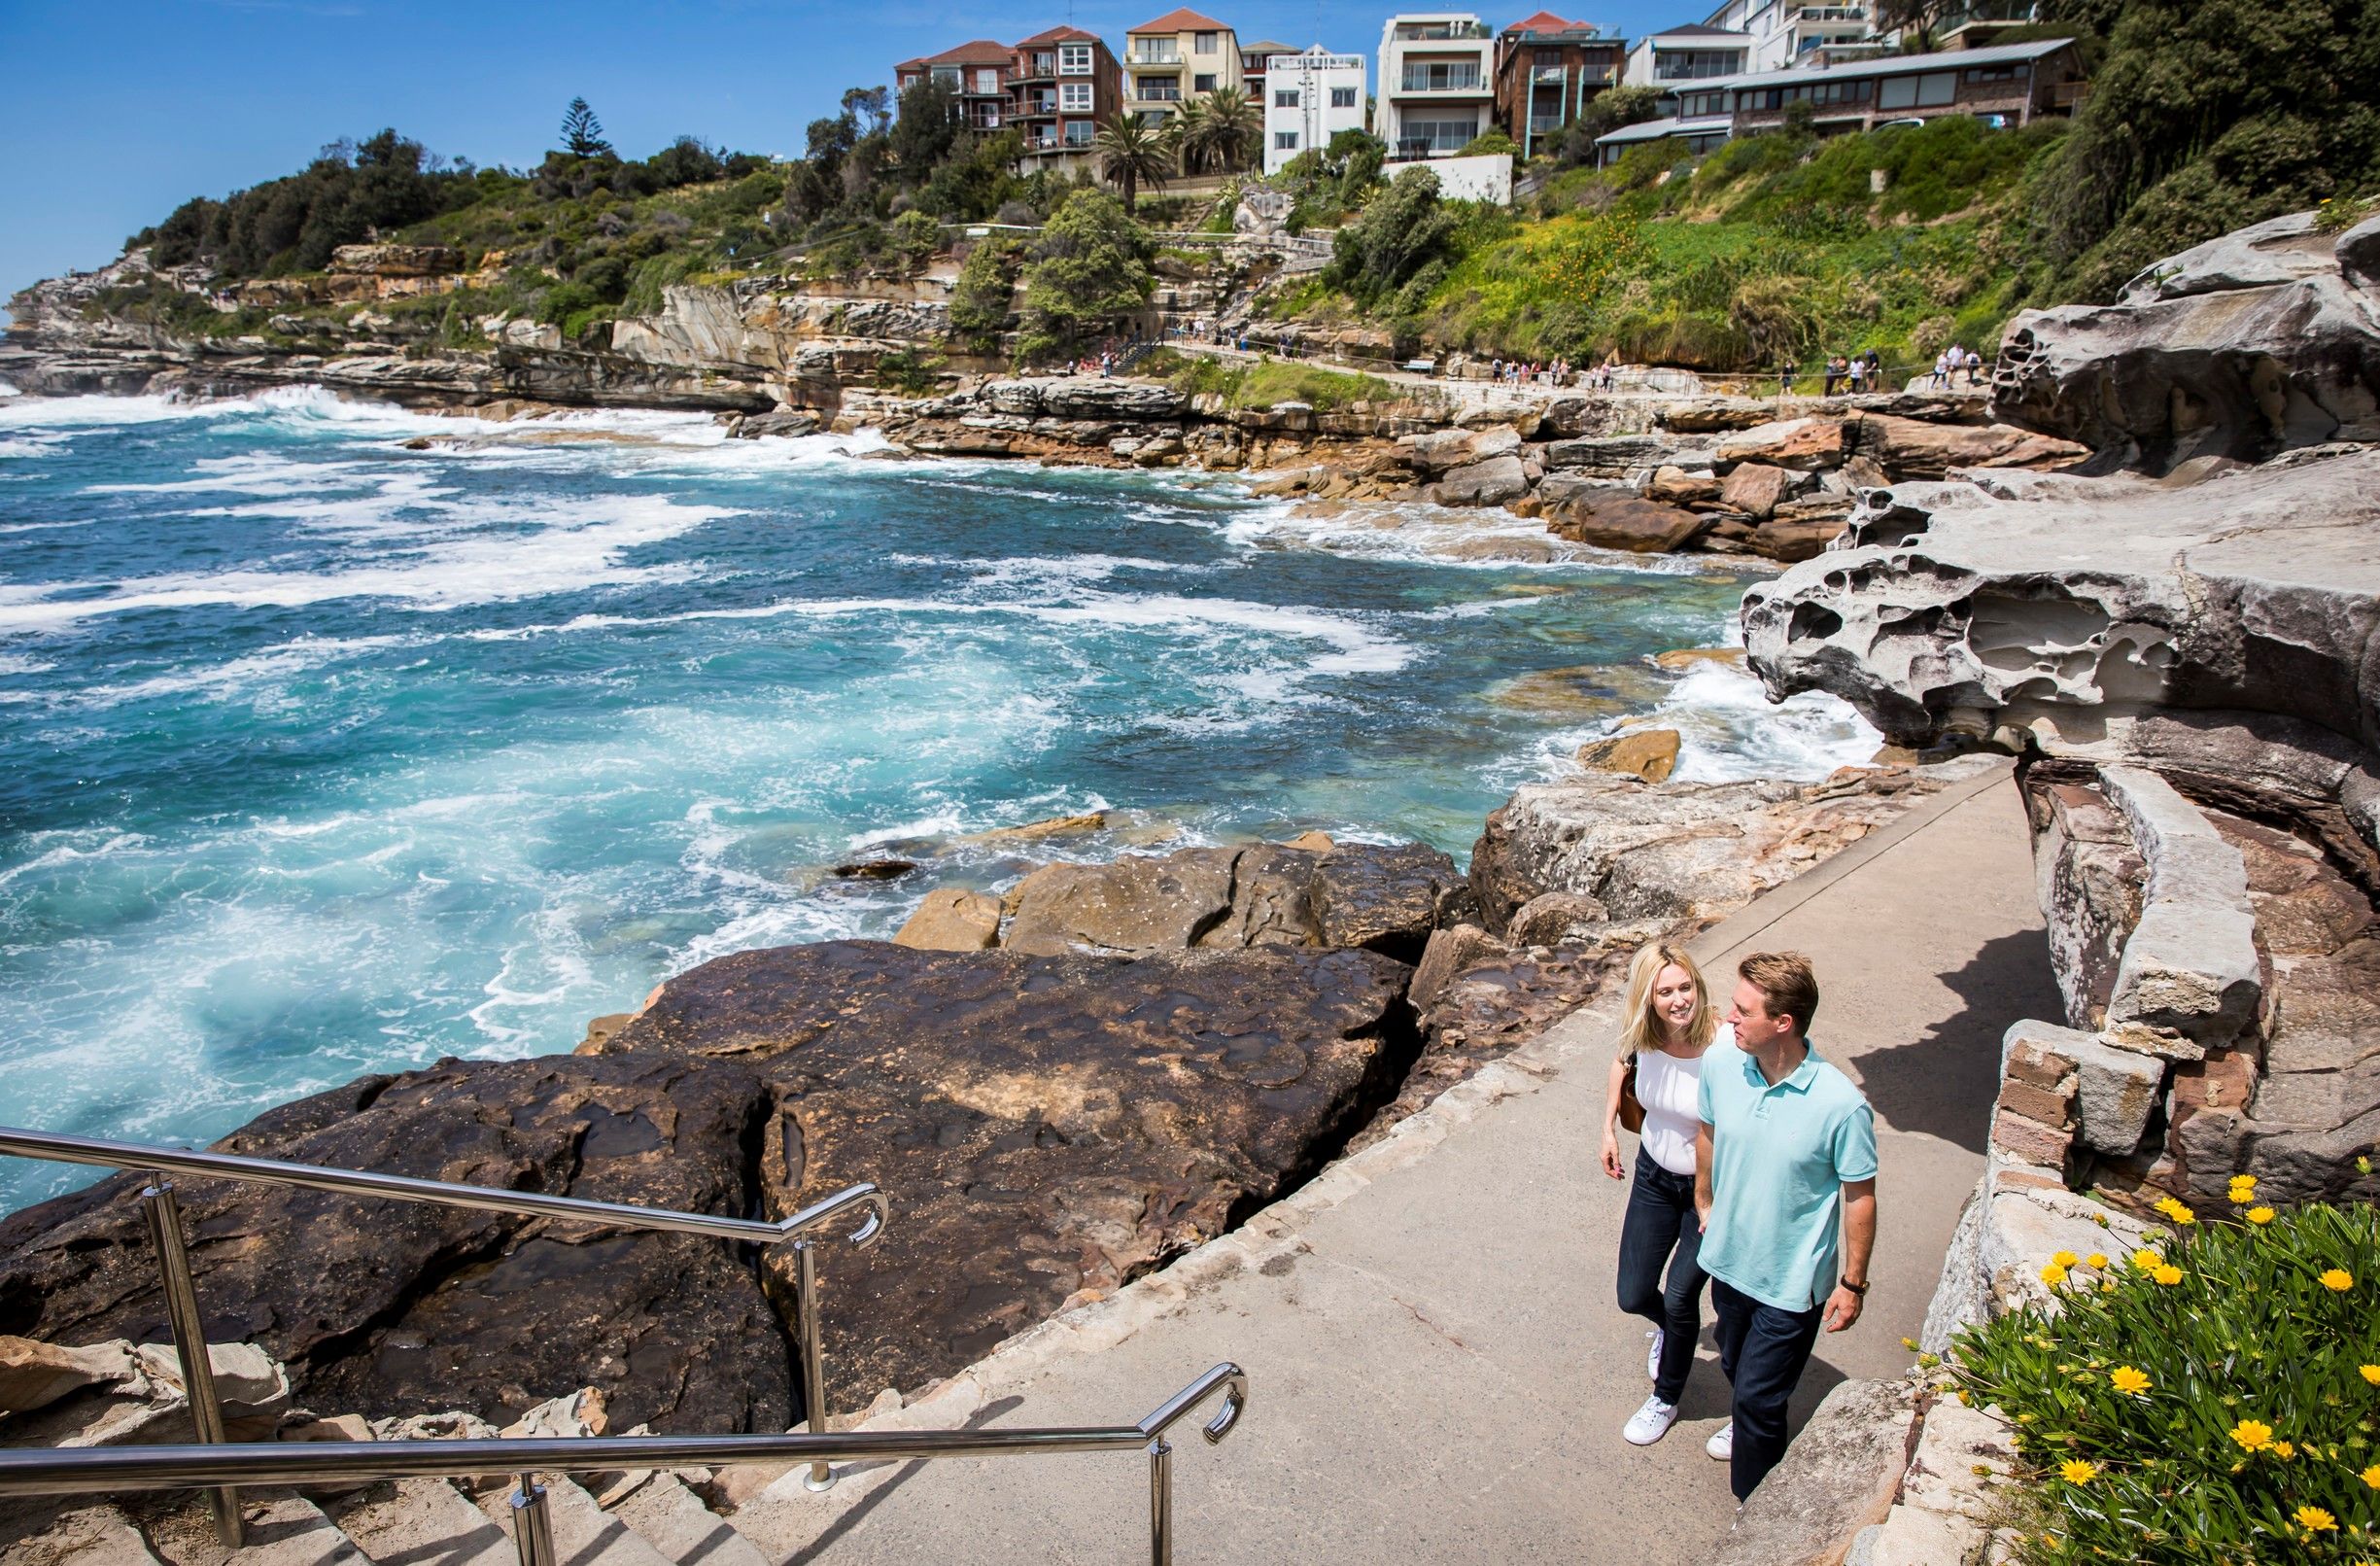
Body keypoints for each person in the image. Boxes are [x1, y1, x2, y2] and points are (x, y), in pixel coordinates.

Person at [1694, 952, 1878, 1502]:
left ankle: (1754, 1512)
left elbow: (1860, 1197)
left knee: (1758, 1399)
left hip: (1791, 1282)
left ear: (1783, 1023)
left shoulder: (1842, 1106)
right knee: (1731, 1358)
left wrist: (1852, 1283)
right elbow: (1708, 1128)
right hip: (1728, 1261)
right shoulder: (1723, 1065)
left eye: (1742, 1010)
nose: (1728, 1016)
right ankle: (1751, 1426)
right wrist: (1704, 1200)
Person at [1603, 941, 1724, 1446]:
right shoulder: (1643, 1036)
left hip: (1710, 1192)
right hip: (1652, 1177)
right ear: (1647, 999)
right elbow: (1620, 1065)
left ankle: (1666, 1398)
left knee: (1680, 1296)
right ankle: (1670, 1333)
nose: (1679, 1000)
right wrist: (1607, 1128)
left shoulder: (1725, 1043)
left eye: (1685, 987)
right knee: (1633, 1295)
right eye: (1665, 992)